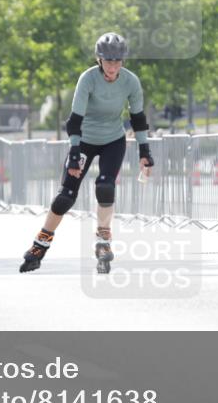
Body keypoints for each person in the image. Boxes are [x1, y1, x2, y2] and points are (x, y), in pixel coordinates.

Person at [19, 32, 154, 273]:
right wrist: (74, 150)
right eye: (108, 61)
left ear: (123, 61)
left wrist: (145, 150)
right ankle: (39, 245)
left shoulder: (131, 82)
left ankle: (103, 241)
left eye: (117, 61)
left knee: (105, 186)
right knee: (66, 197)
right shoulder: (88, 79)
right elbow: (74, 120)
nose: (112, 66)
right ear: (99, 60)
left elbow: (139, 119)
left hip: (113, 140)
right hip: (84, 141)